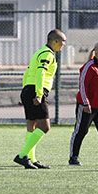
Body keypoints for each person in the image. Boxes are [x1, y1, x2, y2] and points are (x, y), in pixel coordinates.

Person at [15, 28, 67, 169]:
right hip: (35, 90)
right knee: (44, 126)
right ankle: (22, 156)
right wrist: (38, 94)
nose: (64, 45)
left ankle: (31, 158)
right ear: (55, 41)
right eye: (63, 42)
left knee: (32, 126)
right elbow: (40, 74)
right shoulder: (48, 54)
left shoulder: (39, 52)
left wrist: (24, 91)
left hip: (28, 89)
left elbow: (27, 72)